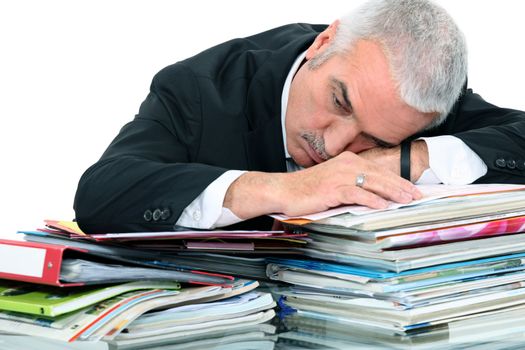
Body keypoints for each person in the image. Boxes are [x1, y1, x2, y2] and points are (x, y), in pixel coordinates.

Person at [74, 0, 525, 234]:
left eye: (373, 138)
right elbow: (101, 192)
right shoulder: (199, 89)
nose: (332, 147)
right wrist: (283, 188)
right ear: (324, 43)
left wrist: (408, 159)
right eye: (339, 103)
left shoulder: (422, 105)